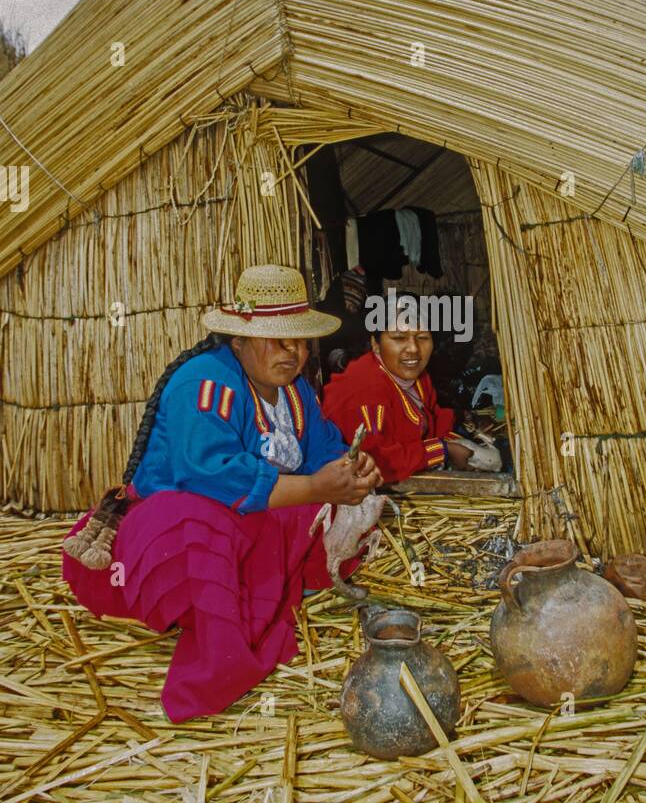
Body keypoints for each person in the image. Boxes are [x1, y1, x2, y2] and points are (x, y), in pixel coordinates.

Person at [62, 265, 382, 722]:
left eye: (300, 340)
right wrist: (313, 487)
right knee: (199, 522)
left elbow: (325, 451)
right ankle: (219, 638)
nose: (293, 353)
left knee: (344, 512)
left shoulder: (295, 393)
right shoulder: (205, 384)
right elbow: (209, 476)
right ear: (240, 340)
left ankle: (268, 580)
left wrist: (352, 470)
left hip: (249, 522)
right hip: (171, 529)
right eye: (278, 340)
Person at [322, 292, 474, 482]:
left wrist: (462, 441)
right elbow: (374, 462)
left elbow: (434, 420)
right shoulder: (364, 389)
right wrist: (443, 450)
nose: (413, 349)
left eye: (422, 337)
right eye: (399, 338)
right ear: (375, 344)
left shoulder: (418, 378)